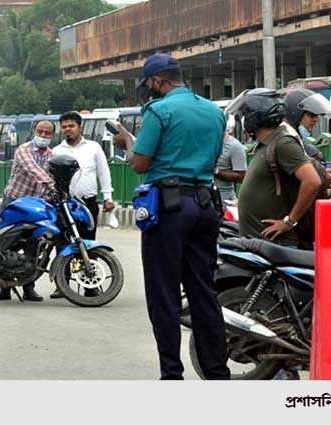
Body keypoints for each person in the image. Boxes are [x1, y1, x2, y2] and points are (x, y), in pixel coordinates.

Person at [112, 52, 229, 380]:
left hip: (169, 206)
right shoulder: (213, 111)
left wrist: (126, 143)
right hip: (205, 205)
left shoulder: (158, 111)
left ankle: (172, 375)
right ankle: (218, 373)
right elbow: (213, 158)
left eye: (148, 84)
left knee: (164, 295)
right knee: (204, 292)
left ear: (156, 81)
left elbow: (140, 163)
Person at [236, 89, 322, 247]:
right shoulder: (267, 142)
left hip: (276, 246)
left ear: (255, 116)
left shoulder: (283, 143)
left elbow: (312, 181)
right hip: (259, 244)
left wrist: (289, 222)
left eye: (246, 113)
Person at [0, 120, 56, 302]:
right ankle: (4, 287)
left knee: (33, 245)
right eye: (40, 131)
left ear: (52, 136)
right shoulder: (23, 150)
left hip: (35, 205)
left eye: (47, 133)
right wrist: (50, 183)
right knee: (7, 243)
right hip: (14, 202)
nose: (43, 135)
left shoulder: (52, 155)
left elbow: (53, 178)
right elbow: (33, 169)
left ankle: (29, 287)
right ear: (34, 131)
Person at [50, 111, 115, 299]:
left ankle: (89, 284)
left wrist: (108, 197)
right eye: (64, 127)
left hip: (87, 203)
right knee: (62, 242)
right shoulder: (56, 151)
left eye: (71, 126)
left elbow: (104, 172)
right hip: (64, 203)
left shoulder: (93, 148)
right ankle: (63, 283)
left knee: (87, 242)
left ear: (80, 127)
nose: (67, 130)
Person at [283, 88, 331, 165]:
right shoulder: (286, 144)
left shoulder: (299, 144)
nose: (315, 120)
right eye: (312, 114)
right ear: (296, 113)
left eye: (316, 115)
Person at [214, 117, 247, 203]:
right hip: (205, 196)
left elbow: (241, 177)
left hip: (225, 198)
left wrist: (216, 171)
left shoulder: (235, 146)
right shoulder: (206, 142)